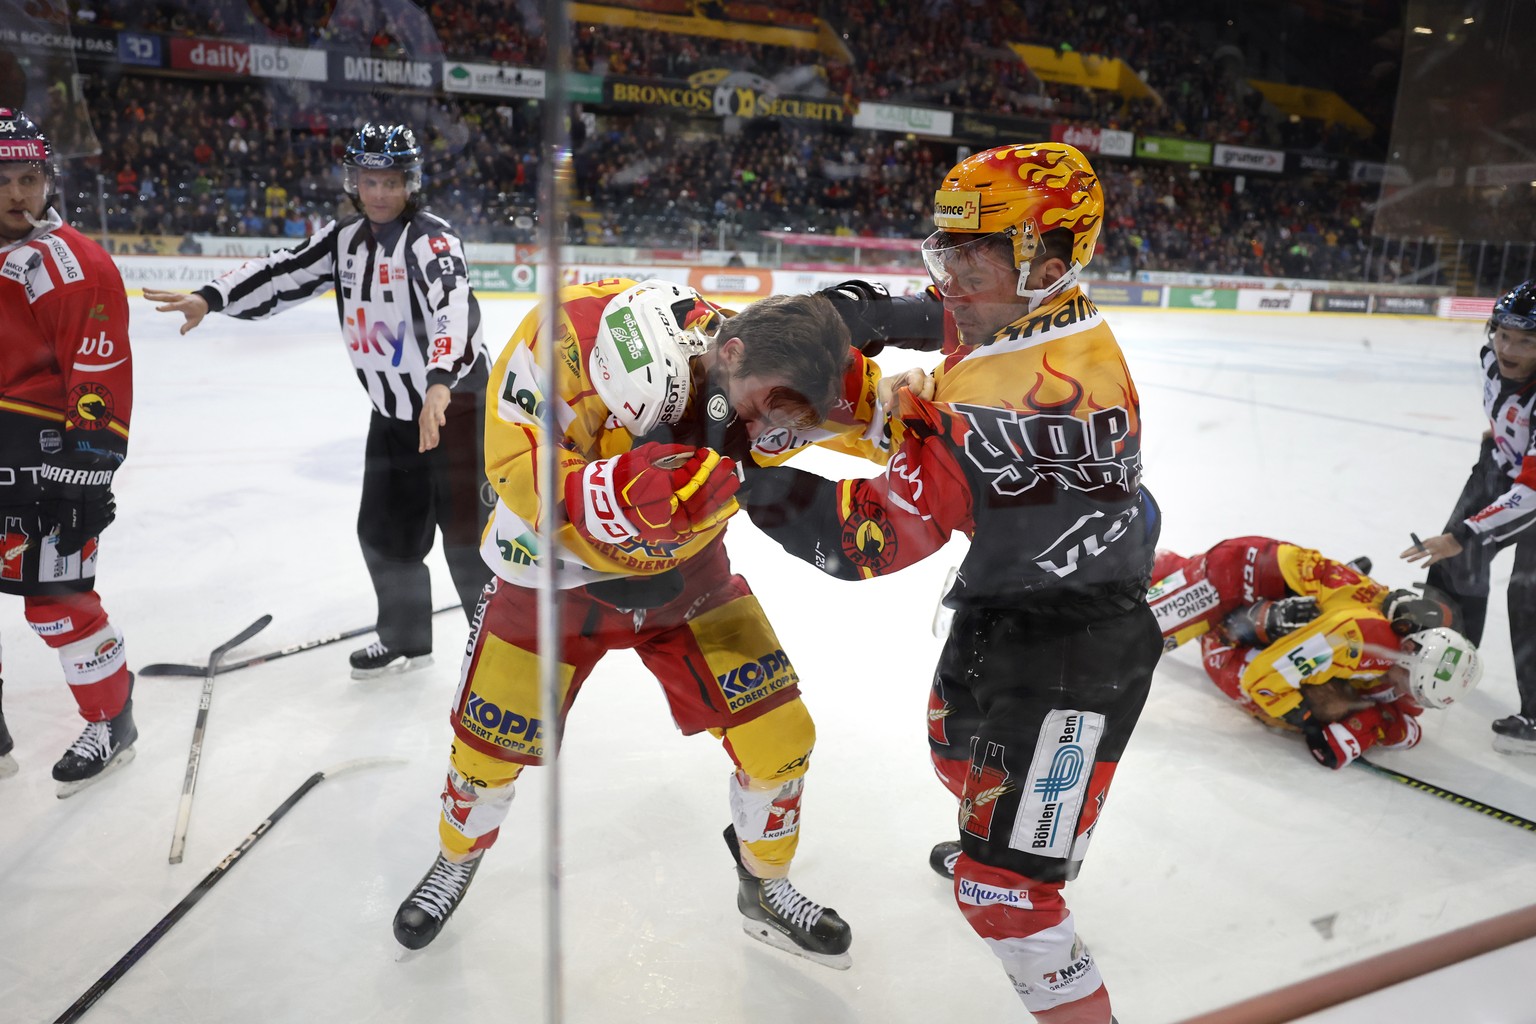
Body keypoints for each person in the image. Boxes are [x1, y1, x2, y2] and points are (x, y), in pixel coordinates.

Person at [736, 143, 1162, 1024]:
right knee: (953, 750)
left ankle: (1037, 852)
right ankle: (1030, 821)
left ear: (1048, 260)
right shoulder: (1040, 318)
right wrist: (849, 321)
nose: (952, 275)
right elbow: (919, 358)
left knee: (1002, 896)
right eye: (949, 246)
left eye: (976, 253)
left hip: (1078, 654)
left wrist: (742, 470)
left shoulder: (1022, 396)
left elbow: (868, 540)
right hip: (1009, 604)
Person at [391, 278, 890, 969]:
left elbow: (871, 409)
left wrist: (950, 433)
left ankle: (765, 887)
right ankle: (456, 857)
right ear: (726, 355)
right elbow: (518, 474)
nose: (756, 436)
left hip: (687, 579)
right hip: (550, 582)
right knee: (485, 750)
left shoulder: (768, 358)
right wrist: (630, 497)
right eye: (752, 413)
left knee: (781, 737)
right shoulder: (558, 345)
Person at [145, 122, 493, 678]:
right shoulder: (343, 239)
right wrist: (210, 298)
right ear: (354, 181)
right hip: (394, 415)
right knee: (384, 534)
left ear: (411, 182)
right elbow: (281, 273)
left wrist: (438, 382)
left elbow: (453, 307)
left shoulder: (433, 240)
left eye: (391, 181)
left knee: (472, 540)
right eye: (368, 180)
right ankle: (404, 636)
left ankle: (498, 651)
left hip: (457, 408)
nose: (378, 193)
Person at [0, 108, 136, 795]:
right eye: (3, 180)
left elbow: (99, 373)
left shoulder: (71, 263)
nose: (18, 193)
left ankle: (112, 719)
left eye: (30, 178)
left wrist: (81, 476)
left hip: (46, 466)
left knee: (56, 602)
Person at [1151, 538, 1482, 768]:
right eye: (1416, 689)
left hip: (1266, 581)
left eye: (1422, 696)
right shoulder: (1359, 639)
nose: (1411, 698)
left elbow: (1405, 723)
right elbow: (1260, 681)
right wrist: (1306, 719)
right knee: (1138, 635)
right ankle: (1233, 619)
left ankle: (1246, 617)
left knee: (1332, 689)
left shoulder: (1410, 645)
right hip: (1234, 577)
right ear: (1409, 652)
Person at [1404, 279, 1536, 755]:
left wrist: (1465, 531)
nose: (1508, 348)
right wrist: (1500, 438)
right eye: (1503, 333)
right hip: (1504, 468)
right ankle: (1448, 659)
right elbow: (1503, 410)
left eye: (1526, 340)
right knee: (1452, 566)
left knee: (1529, 595)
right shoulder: (1488, 360)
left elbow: (1531, 494)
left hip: (1532, 487)